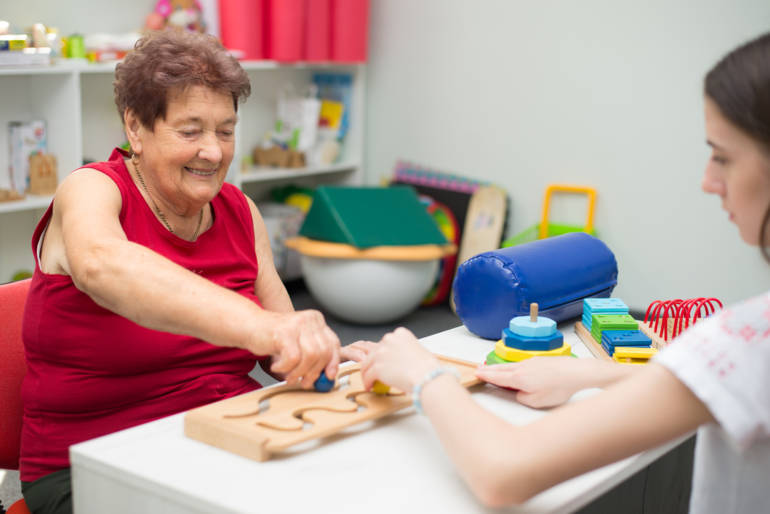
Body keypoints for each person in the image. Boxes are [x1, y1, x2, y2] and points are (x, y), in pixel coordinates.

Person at [346, 32, 770, 511]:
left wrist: (424, 374)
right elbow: (703, 388)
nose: (708, 181)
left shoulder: (748, 341)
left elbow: (505, 469)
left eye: (723, 156)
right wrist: (584, 374)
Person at [20, 30, 343, 514]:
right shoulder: (90, 189)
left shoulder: (240, 210)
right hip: (93, 460)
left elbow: (281, 348)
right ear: (136, 127)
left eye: (226, 131)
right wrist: (263, 326)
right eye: (190, 132)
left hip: (223, 434)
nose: (213, 151)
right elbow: (102, 265)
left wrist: (323, 354)